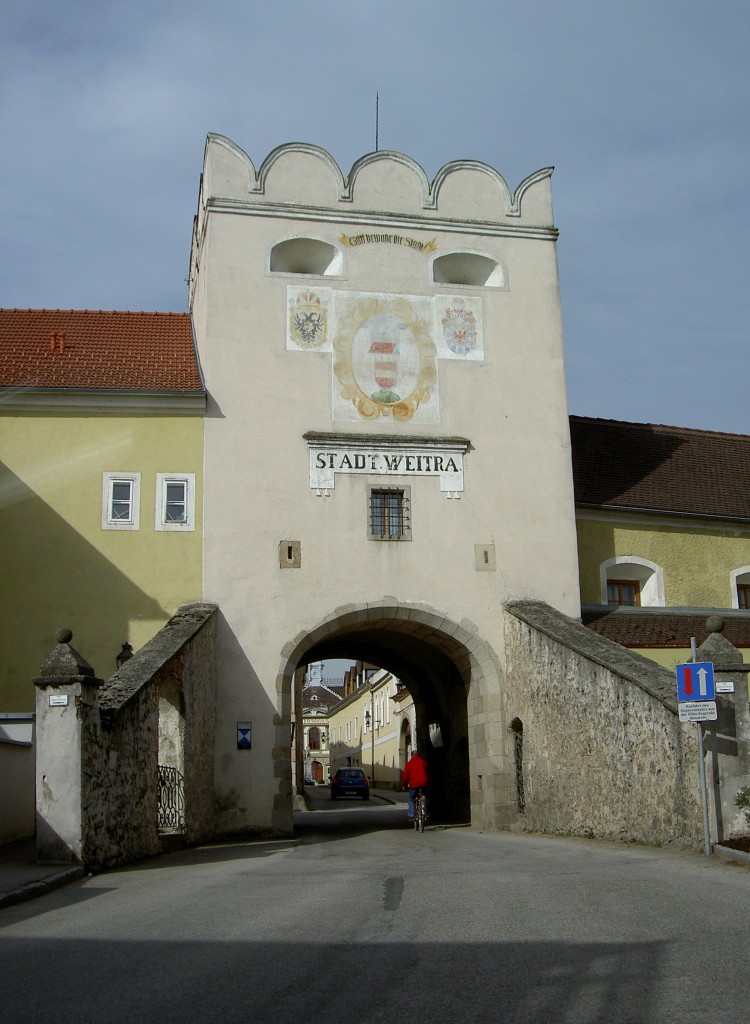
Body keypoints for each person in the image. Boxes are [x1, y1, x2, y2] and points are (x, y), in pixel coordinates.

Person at [401, 748, 429, 820]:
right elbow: (427, 771)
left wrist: (404, 784)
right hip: (423, 783)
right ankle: (425, 809)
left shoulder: (409, 764)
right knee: (424, 796)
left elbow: (405, 776)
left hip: (413, 784)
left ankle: (411, 813)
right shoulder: (423, 762)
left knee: (411, 798)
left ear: (412, 756)